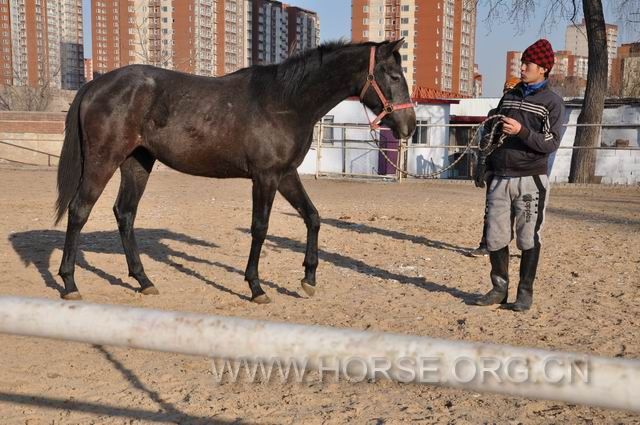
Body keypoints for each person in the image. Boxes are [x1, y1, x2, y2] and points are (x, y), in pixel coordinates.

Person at [471, 39, 565, 312]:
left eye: (528, 64)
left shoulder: (553, 103)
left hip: (530, 180)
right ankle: (499, 289)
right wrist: (485, 164)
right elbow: (492, 133)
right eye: (522, 62)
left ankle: (524, 293)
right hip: (500, 177)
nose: (522, 68)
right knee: (496, 236)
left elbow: (551, 143)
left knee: (527, 238)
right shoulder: (509, 96)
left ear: (544, 68)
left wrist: (521, 132)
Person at [469, 76, 521, 257]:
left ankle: (511, 244)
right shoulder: (494, 114)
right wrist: (481, 166)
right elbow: (484, 142)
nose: (508, 95)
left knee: (516, 210)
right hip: (496, 168)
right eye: (507, 92)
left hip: (517, 169)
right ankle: (485, 243)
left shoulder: (523, 116)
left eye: (512, 92)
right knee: (490, 209)